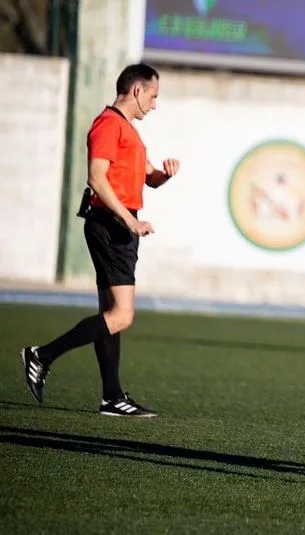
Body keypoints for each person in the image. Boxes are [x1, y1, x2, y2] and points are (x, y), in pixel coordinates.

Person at [20, 63, 180, 417]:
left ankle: (112, 397)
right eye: (153, 96)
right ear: (136, 91)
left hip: (119, 223)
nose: (154, 104)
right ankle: (41, 356)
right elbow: (97, 177)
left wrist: (163, 175)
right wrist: (127, 219)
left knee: (110, 314)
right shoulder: (108, 124)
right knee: (122, 315)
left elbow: (146, 179)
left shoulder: (129, 131)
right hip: (111, 224)